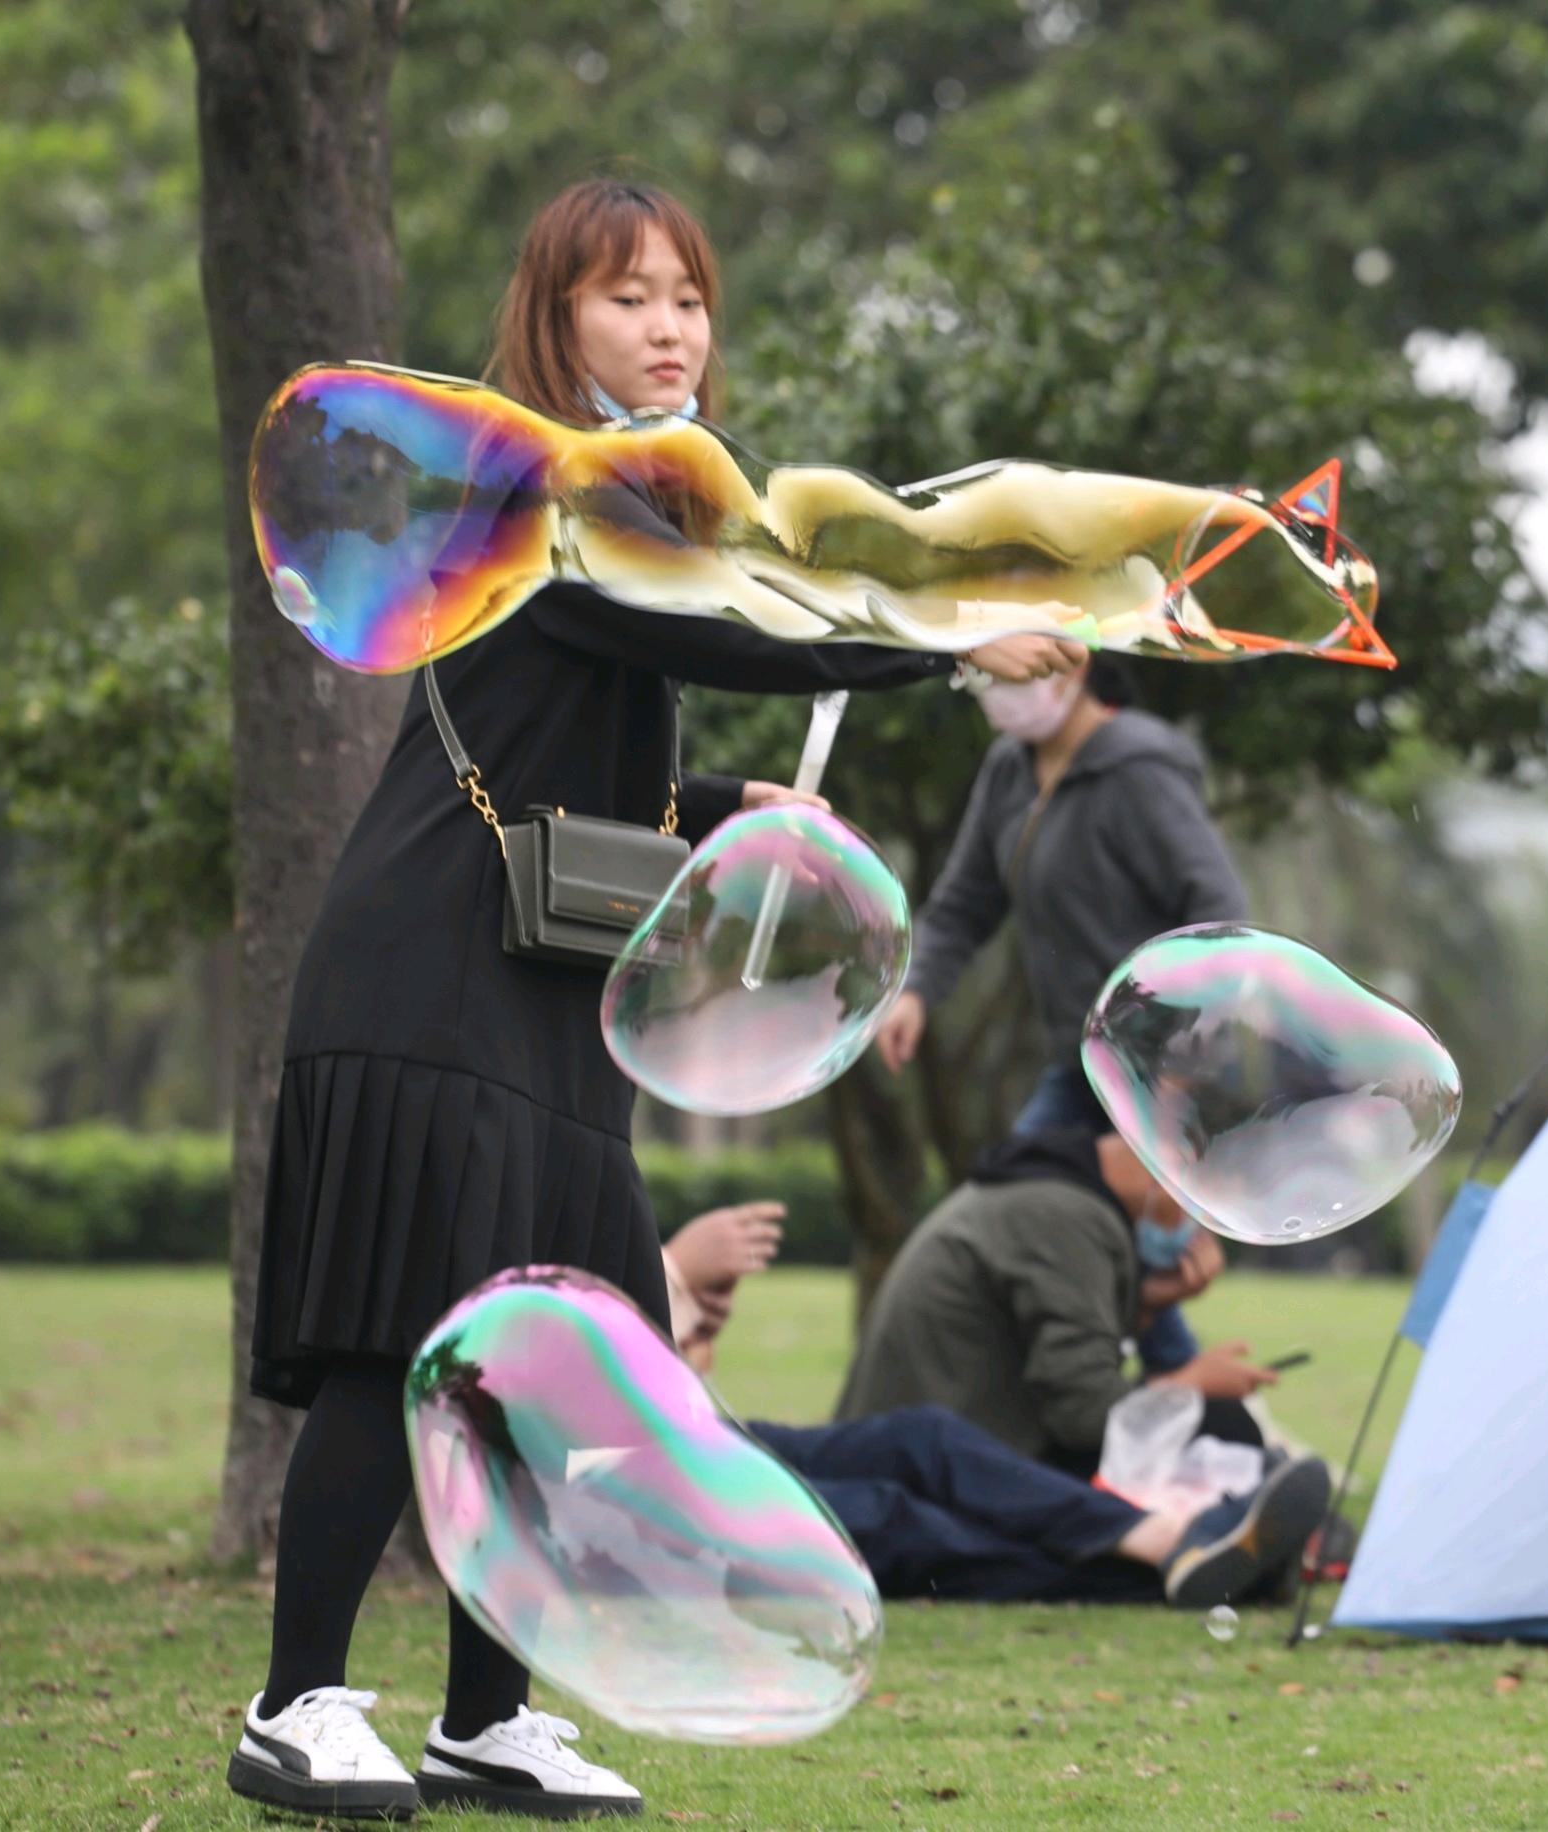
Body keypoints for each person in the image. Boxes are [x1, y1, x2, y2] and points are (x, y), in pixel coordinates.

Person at [225, 176, 1083, 1827]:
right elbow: (753, 620)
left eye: (688, 296)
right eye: (627, 296)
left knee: (552, 1364)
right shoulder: (550, 506)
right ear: (553, 321)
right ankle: (293, 1703)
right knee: (387, 1342)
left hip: (537, 1000)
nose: (669, 326)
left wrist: (729, 797)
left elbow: (592, 754)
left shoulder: (632, 518)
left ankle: (488, 1721)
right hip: (426, 980)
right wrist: (946, 627)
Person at [870, 652, 1246, 1373]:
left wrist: (1181, 1074)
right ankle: (1175, 1412)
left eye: (1015, 662)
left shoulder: (1140, 770)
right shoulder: (1010, 771)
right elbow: (962, 904)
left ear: (1075, 659)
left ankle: (1182, 1415)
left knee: (1088, 1243)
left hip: (1159, 1071)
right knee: (1040, 1225)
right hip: (1080, 1066)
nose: (998, 686)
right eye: (986, 671)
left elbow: (1220, 912)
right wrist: (915, 991)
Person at [661, 1208, 1331, 1609]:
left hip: (686, 1444)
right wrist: (672, 1272)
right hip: (646, 1490)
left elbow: (650, 1377)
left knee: (923, 1438)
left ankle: (1165, 1540)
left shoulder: (1062, 1203)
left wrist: (681, 1310)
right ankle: (1163, 1565)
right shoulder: (1054, 1208)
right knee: (891, 1519)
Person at [831, 1120, 1278, 1477]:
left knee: (1215, 1437)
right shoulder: (1065, 1216)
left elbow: (1063, 1364)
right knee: (1218, 1427)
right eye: (1198, 1210)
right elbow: (1084, 1416)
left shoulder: (1053, 1191)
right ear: (1167, 1173)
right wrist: (1189, 1385)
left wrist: (1147, 1304)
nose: (1195, 1233)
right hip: (930, 1473)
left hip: (941, 1448)